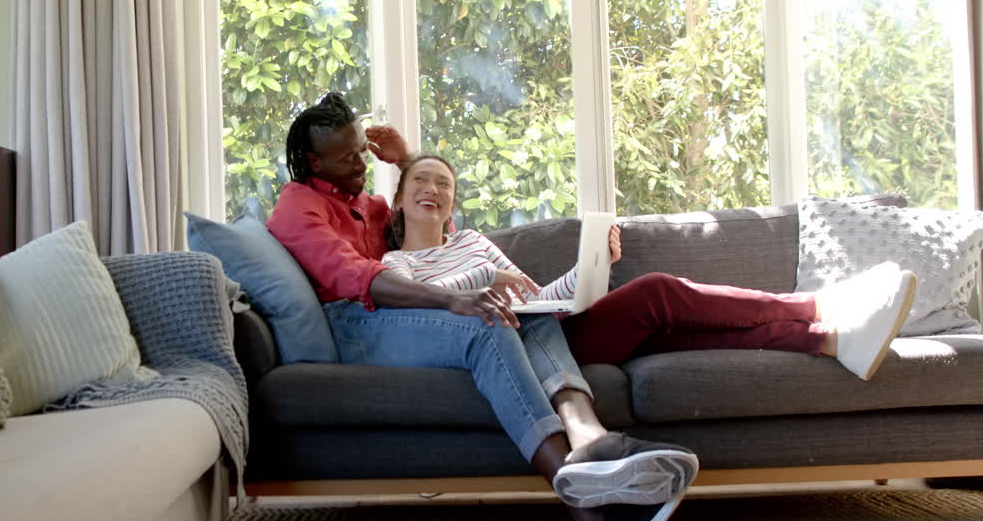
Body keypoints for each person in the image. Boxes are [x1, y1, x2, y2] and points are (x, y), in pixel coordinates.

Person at [269, 93, 702, 521]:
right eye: (346, 156)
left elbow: (427, 215)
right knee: (485, 324)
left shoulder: (365, 204)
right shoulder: (296, 207)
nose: (360, 162)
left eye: (361, 150)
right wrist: (457, 299)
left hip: (392, 312)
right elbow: (357, 277)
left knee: (526, 315)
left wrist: (408, 158)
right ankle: (593, 518)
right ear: (312, 161)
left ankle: (591, 440)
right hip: (355, 323)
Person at [382, 153, 919, 383]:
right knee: (657, 292)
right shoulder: (393, 264)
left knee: (671, 337)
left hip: (545, 329)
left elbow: (535, 294)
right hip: (520, 354)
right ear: (401, 199)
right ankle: (813, 304)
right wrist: (486, 279)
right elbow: (428, 308)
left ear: (453, 203)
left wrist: (591, 266)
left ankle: (825, 338)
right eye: (421, 182)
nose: (433, 189)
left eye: (444, 183)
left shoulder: (475, 241)